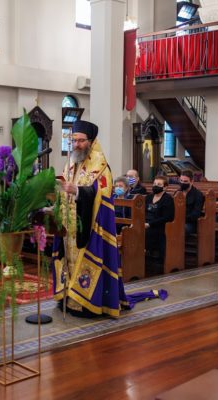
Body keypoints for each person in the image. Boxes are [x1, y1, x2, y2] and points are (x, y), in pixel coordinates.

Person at [52, 120, 130, 317]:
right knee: (68, 262)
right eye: (74, 140)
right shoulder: (70, 162)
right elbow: (64, 187)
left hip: (89, 227)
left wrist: (78, 191)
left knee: (84, 262)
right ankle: (67, 297)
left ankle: (86, 304)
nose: (77, 145)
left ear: (91, 141)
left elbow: (101, 196)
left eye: (81, 141)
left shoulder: (101, 166)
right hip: (69, 226)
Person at [144, 175, 175, 270]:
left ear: (165, 187)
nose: (155, 186)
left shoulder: (167, 199)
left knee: (148, 233)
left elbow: (167, 217)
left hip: (160, 225)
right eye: (154, 184)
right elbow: (142, 211)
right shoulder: (149, 197)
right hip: (146, 223)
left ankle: (149, 258)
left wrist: (150, 224)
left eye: (158, 184)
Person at [176, 170, 205, 234]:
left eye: (185, 181)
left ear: (191, 182)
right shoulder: (177, 192)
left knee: (179, 228)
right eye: (181, 180)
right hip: (177, 220)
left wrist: (182, 219)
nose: (182, 183)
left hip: (190, 223)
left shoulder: (198, 194)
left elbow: (196, 214)